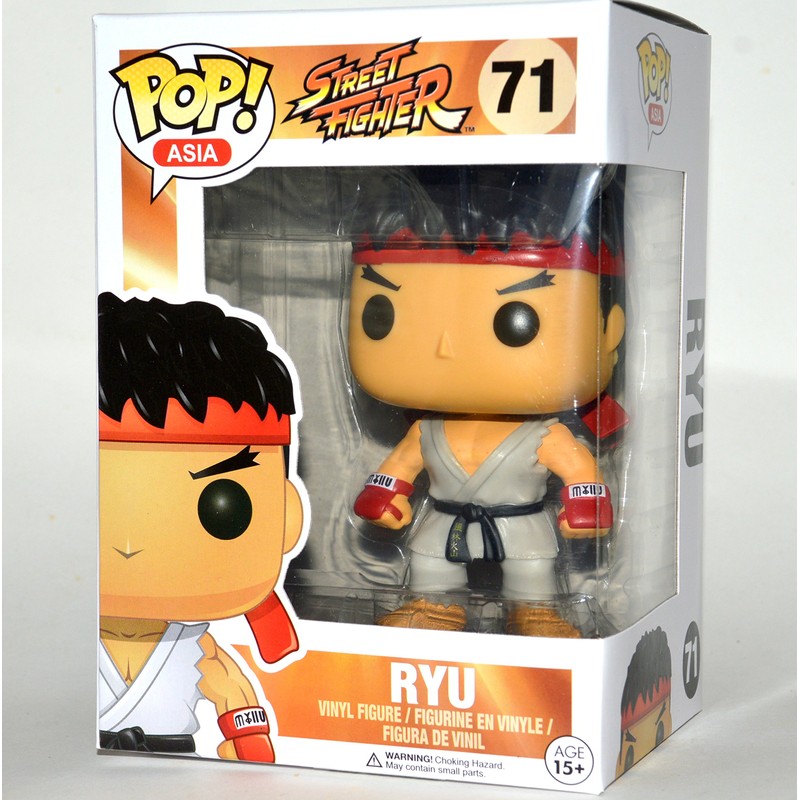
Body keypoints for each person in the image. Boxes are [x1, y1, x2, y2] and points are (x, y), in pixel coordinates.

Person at [349, 165, 626, 637]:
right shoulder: (425, 431)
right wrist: (382, 493)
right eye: (382, 313)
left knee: (531, 572)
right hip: (445, 521)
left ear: (609, 332)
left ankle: (535, 612)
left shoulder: (546, 434)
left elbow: (580, 471)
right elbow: (398, 467)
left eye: (515, 320)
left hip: (521, 526)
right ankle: (432, 606)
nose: (446, 348)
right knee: (430, 566)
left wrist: (588, 505)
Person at [98, 292, 305, 760]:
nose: (128, 545)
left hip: (179, 772)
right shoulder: (54, 634)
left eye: (222, 507)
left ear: (287, 517)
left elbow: (231, 691)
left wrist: (247, 745)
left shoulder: (190, 645)